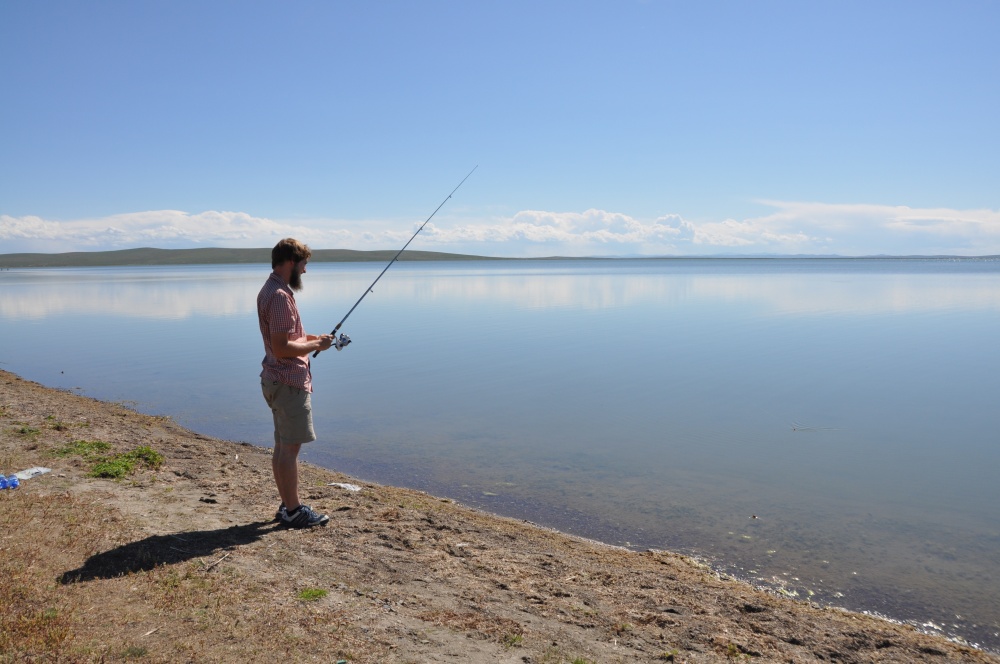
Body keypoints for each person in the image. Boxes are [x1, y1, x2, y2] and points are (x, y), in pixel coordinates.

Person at [257, 238, 335, 528]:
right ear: (291, 261)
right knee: (289, 450)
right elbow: (281, 348)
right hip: (287, 382)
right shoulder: (278, 296)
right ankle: (292, 510)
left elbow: (289, 338)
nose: (305, 270)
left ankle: (286, 505)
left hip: (277, 380)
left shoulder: (273, 290)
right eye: (304, 264)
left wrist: (316, 341)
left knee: (281, 447)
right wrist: (314, 346)